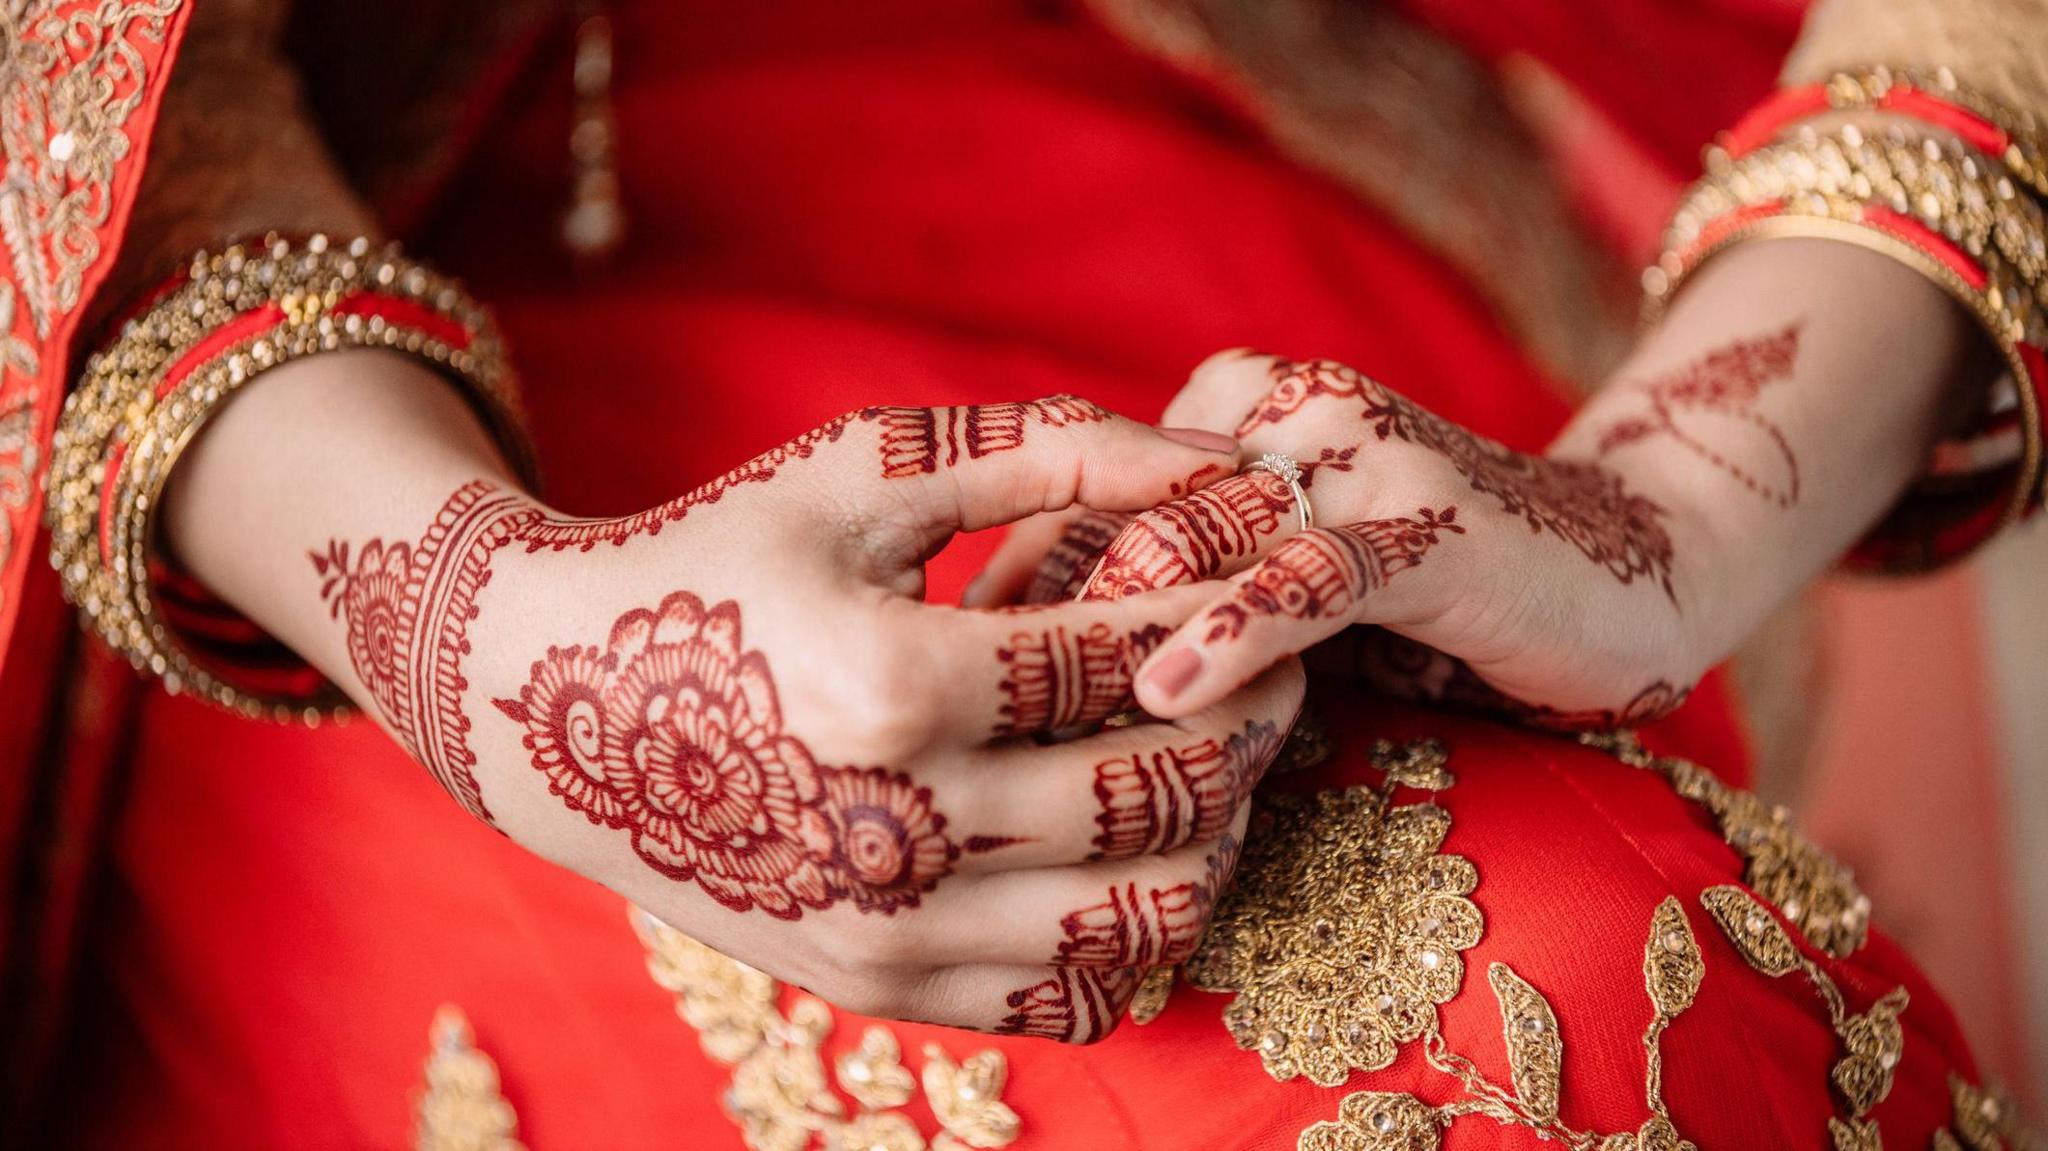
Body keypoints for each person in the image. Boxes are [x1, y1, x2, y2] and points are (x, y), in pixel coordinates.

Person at [0, 0, 2042, 1146]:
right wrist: (487, 637)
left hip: (1304, 185)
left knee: (1575, 986)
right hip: (368, 399)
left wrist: (1666, 506)